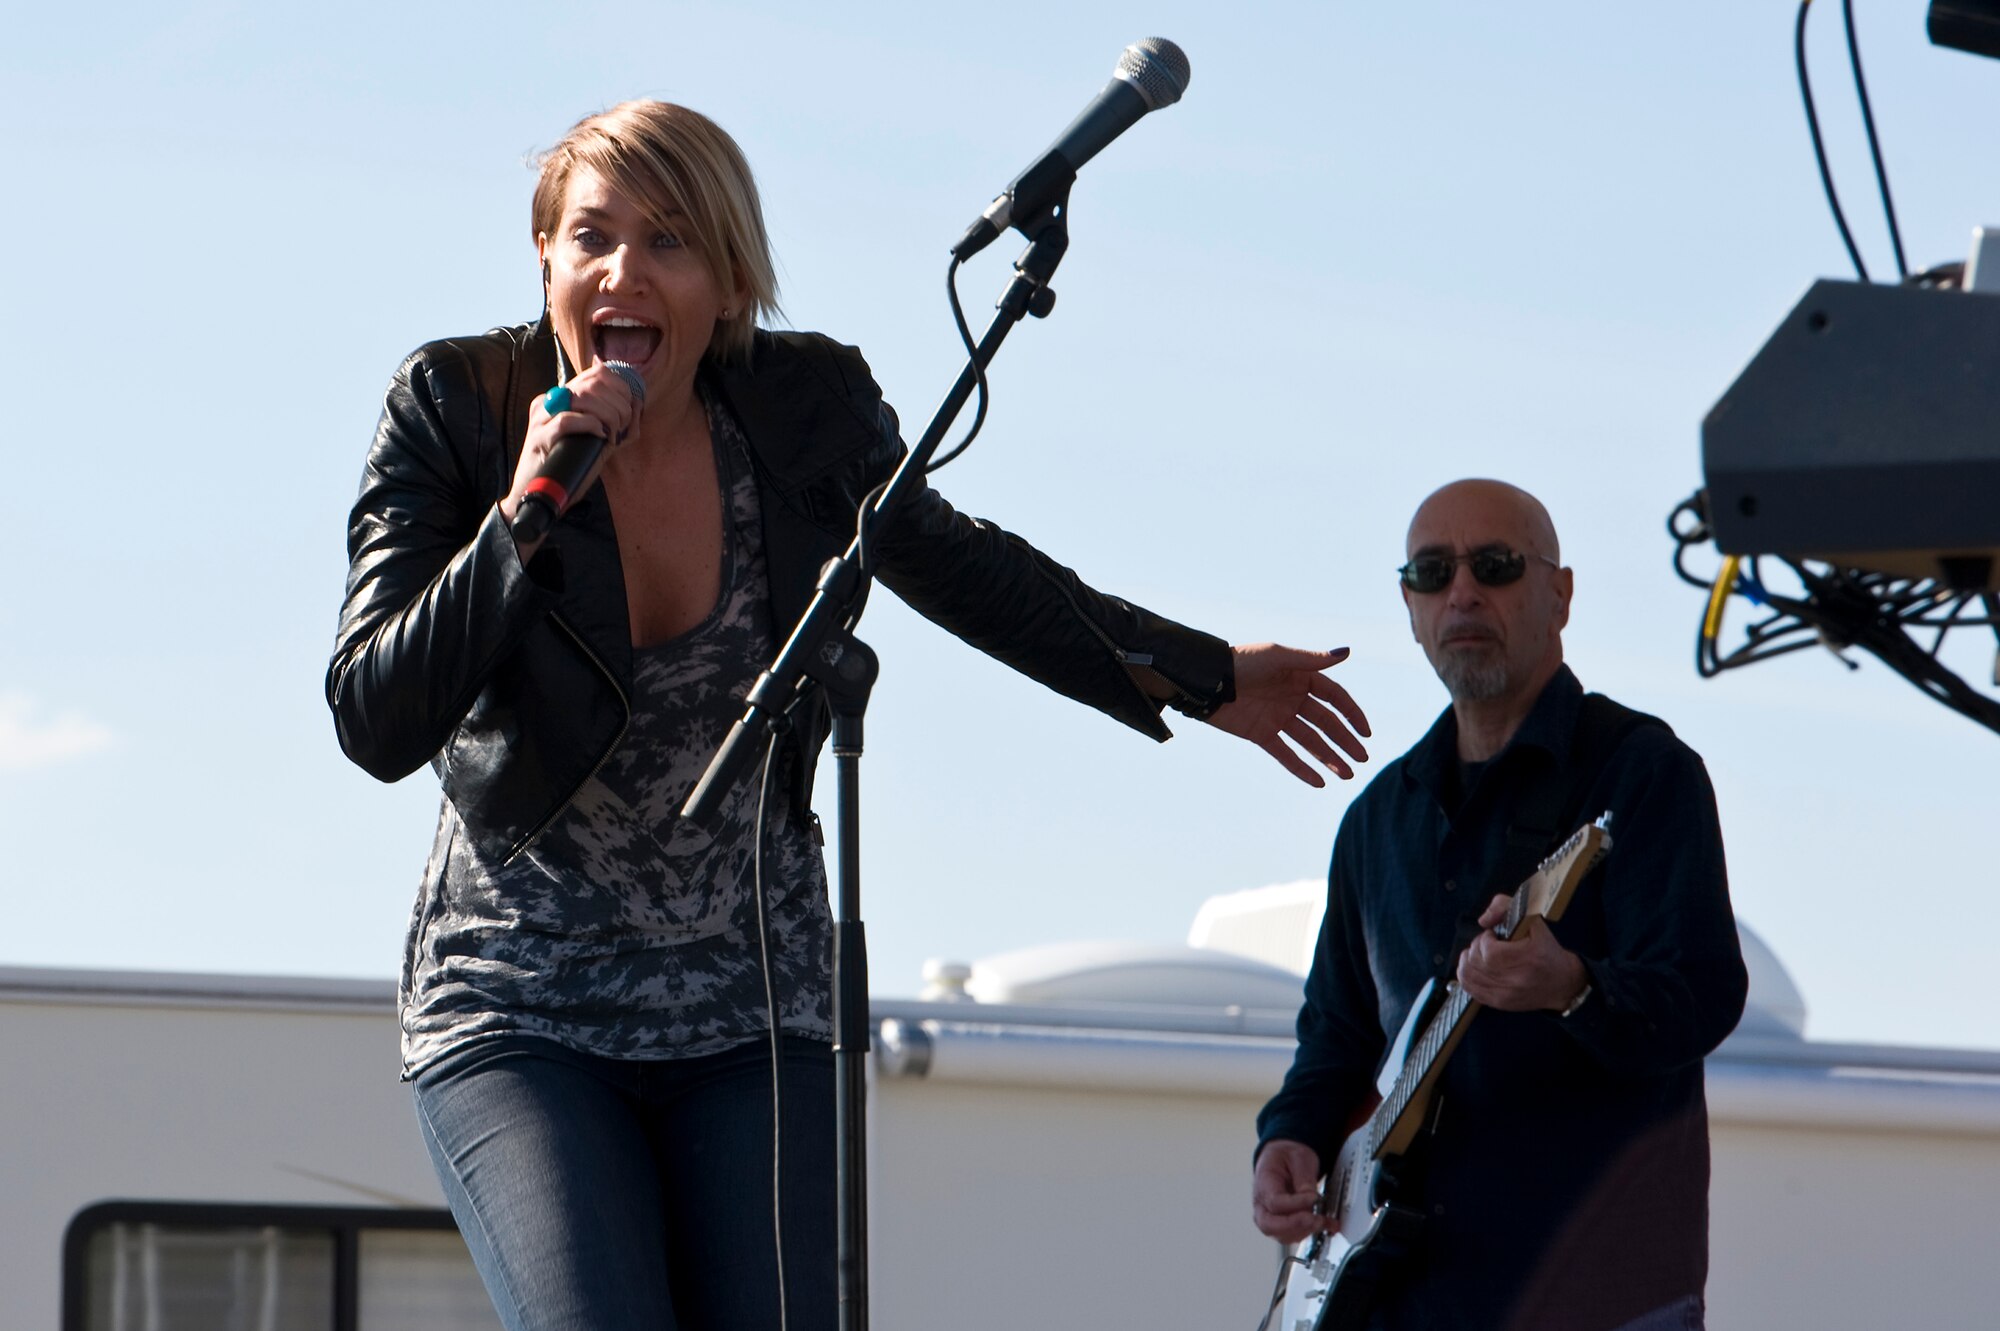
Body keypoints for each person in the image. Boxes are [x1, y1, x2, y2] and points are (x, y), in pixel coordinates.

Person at [326, 100, 1370, 1331]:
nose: (624, 272)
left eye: (669, 241)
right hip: (520, 1002)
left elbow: (966, 568)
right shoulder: (456, 406)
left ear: (726, 280)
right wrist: (521, 517)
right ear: (544, 260)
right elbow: (374, 713)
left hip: (750, 1001)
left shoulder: (800, 407)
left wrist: (1199, 675)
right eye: (590, 238)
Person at [1251, 479, 1747, 1331]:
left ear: (1560, 593)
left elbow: (1701, 994)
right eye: (1432, 571)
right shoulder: (1379, 816)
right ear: (1408, 606)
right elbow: (1337, 1033)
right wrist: (1290, 1138)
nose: (1463, 591)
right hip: (1403, 1298)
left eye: (1496, 565)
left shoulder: (1642, 772)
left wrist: (1573, 986)